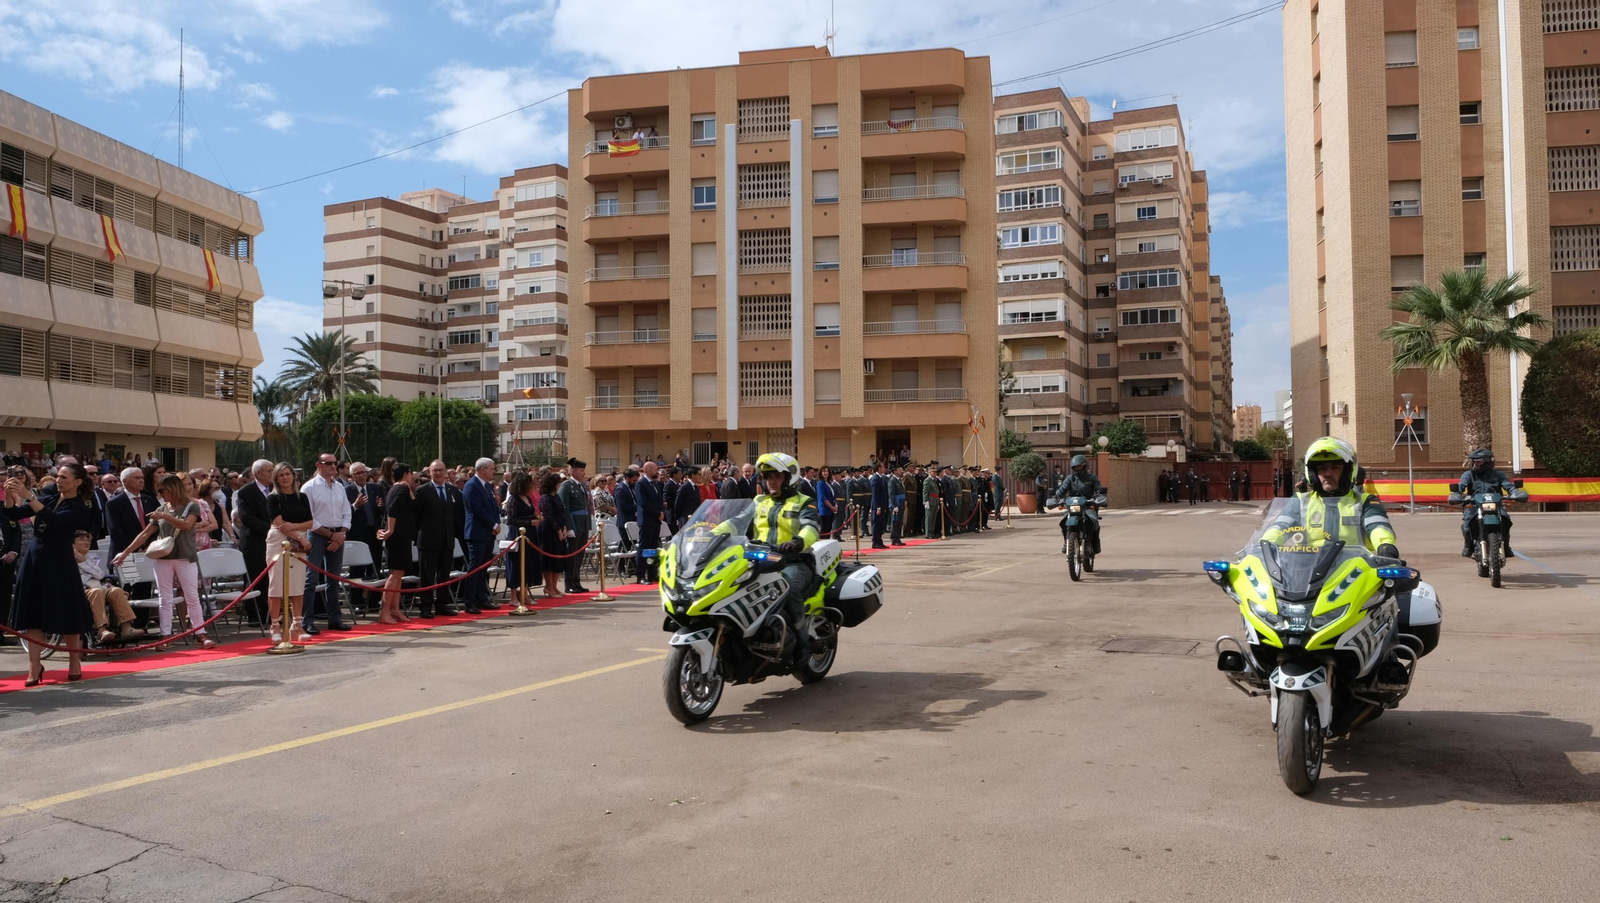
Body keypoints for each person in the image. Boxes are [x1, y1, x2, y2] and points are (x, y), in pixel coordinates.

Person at [6, 462, 101, 684]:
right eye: (57, 476)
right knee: (33, 613)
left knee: (67, 611)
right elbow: (13, 513)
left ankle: (74, 661)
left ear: (78, 482)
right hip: (35, 557)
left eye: (64, 477)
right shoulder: (48, 498)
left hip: (59, 560)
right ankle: (34, 665)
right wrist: (10, 494)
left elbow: (55, 521)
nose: (58, 480)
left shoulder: (80, 506)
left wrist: (29, 495)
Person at [114, 473, 215, 649]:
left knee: (191, 596)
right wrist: (125, 553)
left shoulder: (191, 506)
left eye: (162, 491)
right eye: (158, 491)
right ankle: (165, 634)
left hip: (185, 556)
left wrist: (165, 517)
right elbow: (145, 533)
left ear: (172, 489)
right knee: (165, 598)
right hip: (163, 558)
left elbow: (187, 526)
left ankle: (200, 632)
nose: (160, 494)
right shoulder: (162, 509)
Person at [1263, 438, 1399, 559]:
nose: (1328, 473)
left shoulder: (1365, 501)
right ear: (1312, 473)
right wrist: (1263, 545)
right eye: (1321, 468)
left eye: (1335, 468)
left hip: (1354, 569)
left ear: (1347, 472)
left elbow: (1377, 527)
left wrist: (1386, 546)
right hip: (1307, 569)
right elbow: (1280, 527)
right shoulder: (1300, 501)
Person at [751, 453, 823, 662]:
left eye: (776, 475)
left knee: (787, 587)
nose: (770, 481)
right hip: (760, 561)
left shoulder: (803, 502)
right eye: (766, 476)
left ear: (789, 477)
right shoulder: (758, 502)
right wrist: (709, 532)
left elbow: (811, 527)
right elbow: (735, 521)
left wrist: (798, 542)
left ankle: (802, 643)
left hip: (794, 561)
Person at [250, 463, 314, 643]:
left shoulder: (302, 496)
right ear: (276, 479)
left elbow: (309, 522)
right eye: (281, 475)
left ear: (293, 476)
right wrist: (300, 538)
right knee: (276, 585)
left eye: (288, 474)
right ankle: (275, 625)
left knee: (298, 583)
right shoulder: (273, 498)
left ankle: (297, 624)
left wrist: (295, 528)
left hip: (300, 541)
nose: (285, 478)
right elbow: (279, 523)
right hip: (279, 541)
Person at [299, 453, 352, 634]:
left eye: (335, 463)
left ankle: (334, 619)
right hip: (317, 535)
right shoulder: (309, 487)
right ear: (318, 465)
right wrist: (331, 535)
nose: (333, 466)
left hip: (338, 534)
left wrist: (341, 534)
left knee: (334, 579)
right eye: (328, 463)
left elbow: (347, 512)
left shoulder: (339, 487)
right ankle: (307, 620)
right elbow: (308, 518)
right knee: (311, 579)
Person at [413, 460, 463, 619]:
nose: (438, 473)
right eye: (435, 470)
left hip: (447, 540)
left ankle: (442, 604)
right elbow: (416, 516)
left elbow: (456, 515)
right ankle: (426, 606)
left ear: (446, 472)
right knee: (427, 575)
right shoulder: (422, 491)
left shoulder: (452, 490)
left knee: (444, 574)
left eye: (441, 470)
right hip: (428, 540)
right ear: (429, 472)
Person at [231, 460, 275, 628]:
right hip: (254, 541)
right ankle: (254, 615)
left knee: (271, 579)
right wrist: (272, 528)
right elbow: (247, 518)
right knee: (255, 578)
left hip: (273, 542)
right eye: (268, 471)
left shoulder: (274, 489)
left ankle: (270, 613)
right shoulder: (245, 492)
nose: (272, 473)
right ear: (258, 474)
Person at [75, 530, 137, 644]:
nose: (86, 542)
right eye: (81, 540)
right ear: (72, 545)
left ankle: (127, 628)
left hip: (96, 586)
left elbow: (100, 575)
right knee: (97, 591)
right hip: (80, 590)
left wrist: (83, 561)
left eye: (87, 539)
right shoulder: (67, 558)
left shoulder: (88, 558)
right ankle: (102, 630)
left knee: (116, 590)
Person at [375, 463, 417, 625]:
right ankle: (385, 611)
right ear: (407, 473)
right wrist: (391, 530)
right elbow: (392, 509)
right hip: (398, 536)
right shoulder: (401, 489)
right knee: (396, 574)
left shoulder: (398, 487)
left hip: (403, 536)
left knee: (399, 574)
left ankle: (395, 609)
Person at [1457, 448, 1518, 558]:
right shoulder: (1468, 474)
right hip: (1474, 505)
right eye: (1474, 461)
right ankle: (1468, 546)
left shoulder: (1499, 475)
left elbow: (1509, 486)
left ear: (1488, 461)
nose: (1476, 464)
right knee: (1467, 525)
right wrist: (1456, 493)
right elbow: (1461, 486)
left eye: (1479, 461)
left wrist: (1515, 493)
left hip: (1495, 505)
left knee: (1505, 520)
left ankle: (1506, 545)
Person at [345, 462, 385, 616]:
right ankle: (357, 602)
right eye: (357, 473)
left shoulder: (375, 488)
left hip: (373, 534)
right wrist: (355, 506)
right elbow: (344, 513)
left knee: (375, 567)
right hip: (357, 535)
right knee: (357, 571)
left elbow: (382, 509)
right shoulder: (347, 491)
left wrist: (381, 506)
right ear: (352, 476)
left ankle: (374, 601)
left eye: (363, 472)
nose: (361, 475)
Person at [1048, 455, 1105, 555]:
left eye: (1080, 466)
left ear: (1084, 466)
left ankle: (1096, 543)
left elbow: (1098, 489)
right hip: (1073, 506)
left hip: (1087, 505)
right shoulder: (1070, 478)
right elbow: (1062, 489)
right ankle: (1067, 541)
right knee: (1064, 521)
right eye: (1075, 467)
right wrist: (1055, 497)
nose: (1077, 468)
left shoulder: (1092, 478)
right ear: (1072, 468)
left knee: (1093, 520)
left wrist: (1100, 496)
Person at [503, 470, 541, 607]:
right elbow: (512, 519)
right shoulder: (513, 499)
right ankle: (514, 596)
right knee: (516, 565)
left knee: (528, 564)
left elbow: (531, 512)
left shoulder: (528, 498)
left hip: (530, 535)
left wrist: (536, 516)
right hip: (517, 535)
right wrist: (530, 522)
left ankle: (524, 593)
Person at [556, 458, 594, 595]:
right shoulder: (566, 486)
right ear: (572, 471)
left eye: (584, 470)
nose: (584, 473)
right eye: (581, 470)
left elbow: (587, 507)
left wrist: (589, 527)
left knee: (579, 556)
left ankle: (577, 582)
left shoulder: (582, 485)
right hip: (574, 524)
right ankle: (569, 583)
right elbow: (564, 508)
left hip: (583, 523)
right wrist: (569, 527)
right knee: (571, 556)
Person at [538, 470, 569, 599]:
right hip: (549, 531)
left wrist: (565, 528)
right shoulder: (545, 497)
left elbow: (562, 513)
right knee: (550, 560)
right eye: (557, 483)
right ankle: (549, 587)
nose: (559, 485)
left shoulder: (556, 496)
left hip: (560, 528)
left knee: (558, 559)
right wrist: (558, 530)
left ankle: (555, 587)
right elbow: (548, 516)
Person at [635, 461, 664, 584]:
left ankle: (652, 573)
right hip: (647, 520)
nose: (656, 472)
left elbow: (659, 501)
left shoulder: (655, 484)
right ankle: (641, 575)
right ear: (647, 470)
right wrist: (657, 514)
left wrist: (661, 512)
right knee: (644, 548)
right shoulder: (641, 484)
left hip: (656, 521)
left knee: (652, 549)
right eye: (654, 469)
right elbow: (644, 503)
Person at [889, 465, 907, 545]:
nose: (901, 471)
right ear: (895, 471)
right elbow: (891, 494)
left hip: (901, 502)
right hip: (896, 503)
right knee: (895, 522)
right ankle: (894, 539)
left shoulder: (899, 480)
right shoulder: (892, 481)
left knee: (900, 522)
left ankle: (898, 538)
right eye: (900, 470)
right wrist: (894, 505)